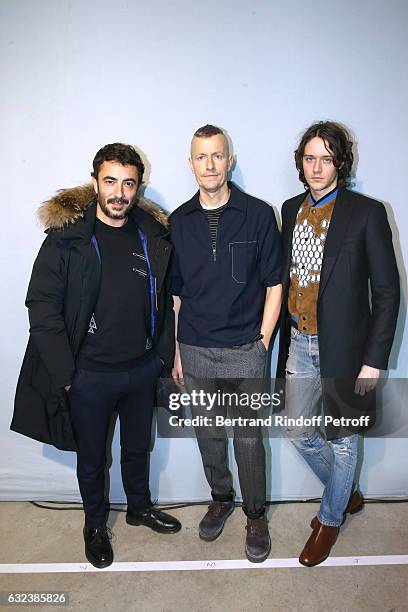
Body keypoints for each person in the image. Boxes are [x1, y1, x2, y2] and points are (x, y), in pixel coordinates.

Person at [12, 143, 181, 568]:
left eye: (128, 183)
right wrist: (67, 376)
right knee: (93, 458)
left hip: (141, 370)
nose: (119, 192)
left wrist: (160, 358)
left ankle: (139, 508)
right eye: (110, 181)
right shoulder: (67, 240)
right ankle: (94, 525)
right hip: (89, 375)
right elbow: (42, 308)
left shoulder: (152, 234)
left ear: (138, 186)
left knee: (137, 448)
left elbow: (165, 299)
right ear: (95, 183)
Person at [276, 121, 400, 566]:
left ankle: (329, 519)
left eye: (326, 158)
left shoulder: (366, 213)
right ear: (300, 162)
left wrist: (373, 361)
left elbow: (387, 293)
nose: (316, 167)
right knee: (297, 430)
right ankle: (345, 492)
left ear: (340, 163)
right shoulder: (290, 210)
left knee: (344, 439)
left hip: (347, 349)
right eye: (309, 158)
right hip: (298, 342)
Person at [170, 124, 282, 563]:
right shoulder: (179, 222)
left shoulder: (258, 214)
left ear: (229, 161)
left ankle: (255, 514)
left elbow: (275, 283)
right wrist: (177, 351)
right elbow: (176, 294)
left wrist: (262, 342)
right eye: (201, 157)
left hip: (244, 349)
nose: (210, 165)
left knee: (249, 439)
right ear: (191, 163)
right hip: (195, 348)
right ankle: (221, 498)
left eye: (217, 156)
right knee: (209, 434)